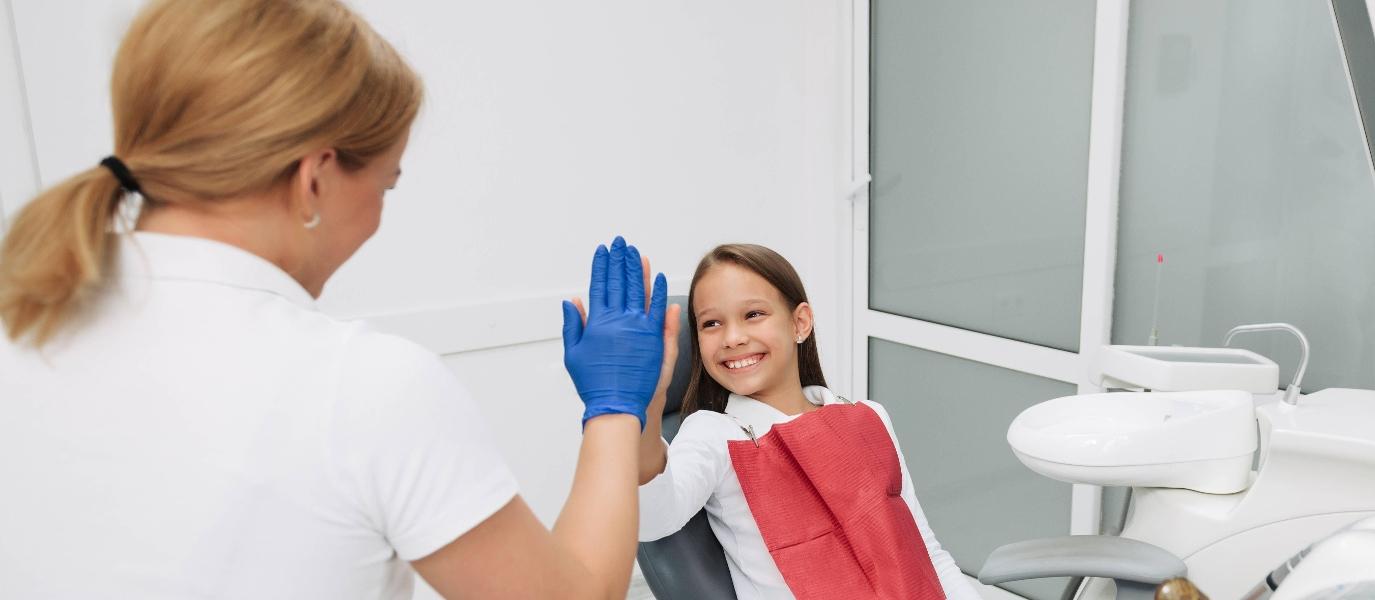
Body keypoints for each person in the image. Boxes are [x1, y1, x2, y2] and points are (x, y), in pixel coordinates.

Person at [0, 1, 669, 598]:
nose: (379, 214)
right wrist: (615, 408)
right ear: (315, 179)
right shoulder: (359, 387)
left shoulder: (22, 328)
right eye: (385, 185)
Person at [633, 243, 981, 599]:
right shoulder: (715, 433)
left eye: (753, 314)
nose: (733, 338)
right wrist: (648, 407)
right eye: (711, 323)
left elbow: (927, 553)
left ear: (800, 322)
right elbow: (652, 520)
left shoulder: (869, 418)